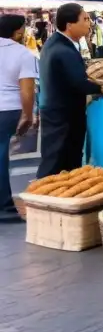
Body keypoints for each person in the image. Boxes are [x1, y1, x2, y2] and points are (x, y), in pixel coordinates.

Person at [38, 3, 103, 178]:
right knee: (57, 160)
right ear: (70, 24)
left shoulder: (57, 43)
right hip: (63, 113)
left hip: (57, 110)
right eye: (85, 19)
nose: (89, 23)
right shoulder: (62, 49)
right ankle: (41, 196)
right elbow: (79, 83)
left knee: (62, 158)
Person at [0, 15, 37, 221]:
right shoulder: (23, 53)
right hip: (8, 108)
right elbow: (27, 90)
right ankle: (4, 208)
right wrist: (28, 114)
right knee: (1, 155)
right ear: (18, 32)